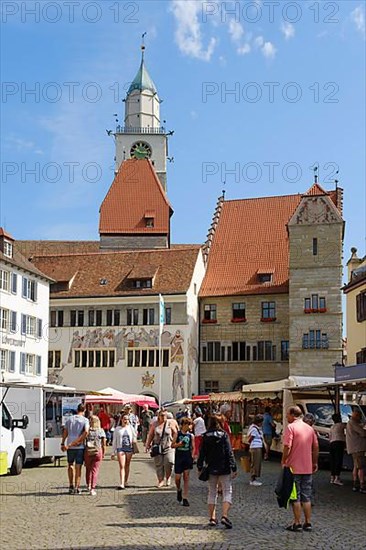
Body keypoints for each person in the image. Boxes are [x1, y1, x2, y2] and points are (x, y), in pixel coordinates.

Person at [281, 406, 319, 532]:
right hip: (307, 467)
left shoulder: (291, 428)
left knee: (295, 496)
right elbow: (316, 448)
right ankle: (308, 522)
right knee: (306, 496)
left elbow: (287, 446)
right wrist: (314, 462)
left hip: (293, 468)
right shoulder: (309, 429)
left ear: (293, 415)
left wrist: (284, 459)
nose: (286, 417)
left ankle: (297, 523)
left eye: (287, 415)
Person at [197, 414, 237, 529]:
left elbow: (202, 453)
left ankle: (212, 518)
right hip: (224, 467)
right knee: (227, 491)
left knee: (212, 492)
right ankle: (224, 515)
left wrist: (200, 467)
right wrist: (233, 467)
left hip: (211, 468)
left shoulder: (205, 436)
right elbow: (229, 452)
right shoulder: (224, 435)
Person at [61, 403, 89, 494]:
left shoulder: (69, 419)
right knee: (78, 466)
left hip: (69, 445)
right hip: (79, 446)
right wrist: (80, 440)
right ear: (84, 411)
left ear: (77, 410)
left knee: (70, 465)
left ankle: (70, 485)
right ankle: (77, 487)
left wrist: (63, 442)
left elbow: (65, 431)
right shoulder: (85, 420)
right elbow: (86, 431)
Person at [145, 409, 177, 488]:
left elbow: (176, 432)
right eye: (162, 415)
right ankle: (161, 480)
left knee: (170, 462)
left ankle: (168, 477)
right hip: (157, 447)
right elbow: (151, 435)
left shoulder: (170, 423)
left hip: (169, 446)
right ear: (158, 416)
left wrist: (174, 442)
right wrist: (147, 445)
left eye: (165, 415)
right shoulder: (154, 424)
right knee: (159, 465)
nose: (164, 417)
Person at [172, 417, 194, 507]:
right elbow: (172, 445)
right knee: (177, 478)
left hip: (187, 458)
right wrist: (179, 444)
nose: (190, 426)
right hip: (179, 458)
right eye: (188, 424)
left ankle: (185, 497)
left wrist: (193, 456)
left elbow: (193, 447)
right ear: (184, 425)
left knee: (186, 477)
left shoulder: (191, 436)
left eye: (190, 424)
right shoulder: (177, 434)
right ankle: (179, 489)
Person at [112, 414, 137, 489]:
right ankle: (122, 483)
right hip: (120, 448)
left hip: (129, 448)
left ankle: (126, 481)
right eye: (124, 419)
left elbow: (134, 435)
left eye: (127, 419)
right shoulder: (117, 429)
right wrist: (113, 452)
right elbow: (114, 441)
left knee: (127, 465)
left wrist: (134, 440)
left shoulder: (130, 428)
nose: (126, 421)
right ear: (121, 420)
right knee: (122, 466)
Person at [345, 409, 366, 493]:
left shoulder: (351, 423)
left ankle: (355, 484)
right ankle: (362, 485)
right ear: (356, 416)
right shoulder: (353, 423)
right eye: (360, 417)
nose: (360, 418)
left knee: (356, 466)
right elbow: (363, 433)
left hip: (353, 448)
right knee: (361, 467)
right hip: (358, 448)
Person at [84, 415, 106, 496]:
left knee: (88, 469)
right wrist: (103, 452)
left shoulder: (87, 431)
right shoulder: (101, 431)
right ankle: (93, 488)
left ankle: (88, 485)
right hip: (97, 451)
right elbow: (104, 443)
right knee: (95, 470)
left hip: (88, 451)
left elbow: (84, 440)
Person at [329, 413, 346, 486]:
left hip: (332, 443)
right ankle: (337, 478)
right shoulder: (341, 425)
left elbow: (330, 436)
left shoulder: (332, 427)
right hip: (339, 443)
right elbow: (349, 426)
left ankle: (332, 477)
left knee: (333, 460)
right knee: (338, 460)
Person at [248, 415, 264, 486]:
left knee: (254, 463)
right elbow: (251, 437)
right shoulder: (254, 429)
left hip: (255, 447)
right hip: (256, 447)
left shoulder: (252, 427)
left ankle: (253, 479)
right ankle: (253, 479)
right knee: (255, 463)